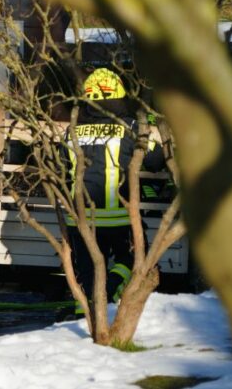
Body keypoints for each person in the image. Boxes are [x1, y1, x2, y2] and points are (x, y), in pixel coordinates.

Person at [64, 68, 163, 317]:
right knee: (132, 261)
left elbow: (61, 164)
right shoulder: (129, 127)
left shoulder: (72, 129)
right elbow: (155, 161)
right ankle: (108, 294)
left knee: (86, 270)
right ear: (119, 96)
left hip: (80, 217)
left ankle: (81, 316)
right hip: (118, 216)